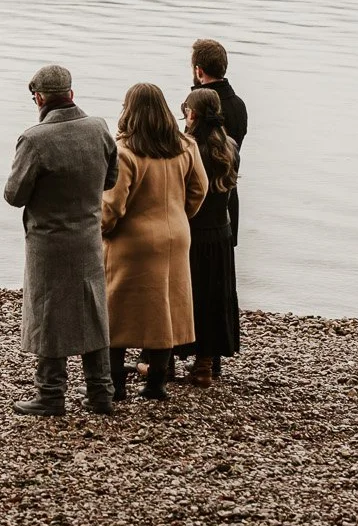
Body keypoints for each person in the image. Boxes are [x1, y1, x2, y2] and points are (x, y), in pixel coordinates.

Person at [3, 65, 117, 417]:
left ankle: (50, 393)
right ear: (71, 92)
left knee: (49, 314)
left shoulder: (35, 139)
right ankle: (101, 392)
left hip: (49, 241)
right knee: (93, 311)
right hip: (87, 236)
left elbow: (14, 195)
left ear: (39, 98)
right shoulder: (98, 128)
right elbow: (111, 179)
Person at [101, 83, 208, 400]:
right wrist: (178, 215)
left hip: (132, 241)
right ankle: (156, 384)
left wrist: (101, 230)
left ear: (128, 111)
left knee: (116, 312)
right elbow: (199, 190)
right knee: (166, 308)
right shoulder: (185, 146)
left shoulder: (124, 152)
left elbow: (112, 205)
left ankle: (116, 386)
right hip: (175, 236)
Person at [181, 86, 243, 384]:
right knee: (214, 295)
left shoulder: (188, 147)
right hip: (220, 232)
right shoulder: (230, 146)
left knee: (184, 294)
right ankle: (205, 364)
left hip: (193, 232)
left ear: (192, 114)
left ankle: (166, 360)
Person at [191, 38, 248, 241]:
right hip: (228, 197)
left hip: (202, 205)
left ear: (199, 71)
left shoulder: (198, 107)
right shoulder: (239, 105)